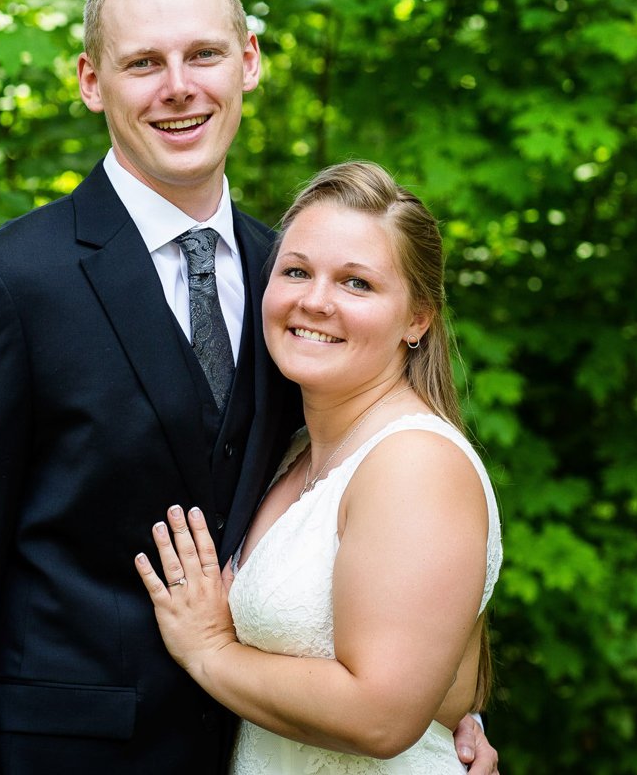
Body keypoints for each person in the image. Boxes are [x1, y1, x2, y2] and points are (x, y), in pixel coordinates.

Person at [0, 0, 499, 774]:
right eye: (143, 62)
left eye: (203, 54)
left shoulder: (295, 286)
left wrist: (446, 707)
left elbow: (386, 544)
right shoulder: (1, 286)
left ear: (248, 61)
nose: (179, 86)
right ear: (91, 81)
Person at [137, 161, 501, 774]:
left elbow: (381, 715)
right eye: (297, 271)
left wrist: (208, 652)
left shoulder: (414, 464)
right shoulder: (293, 452)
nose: (315, 301)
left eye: (356, 283)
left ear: (418, 318)